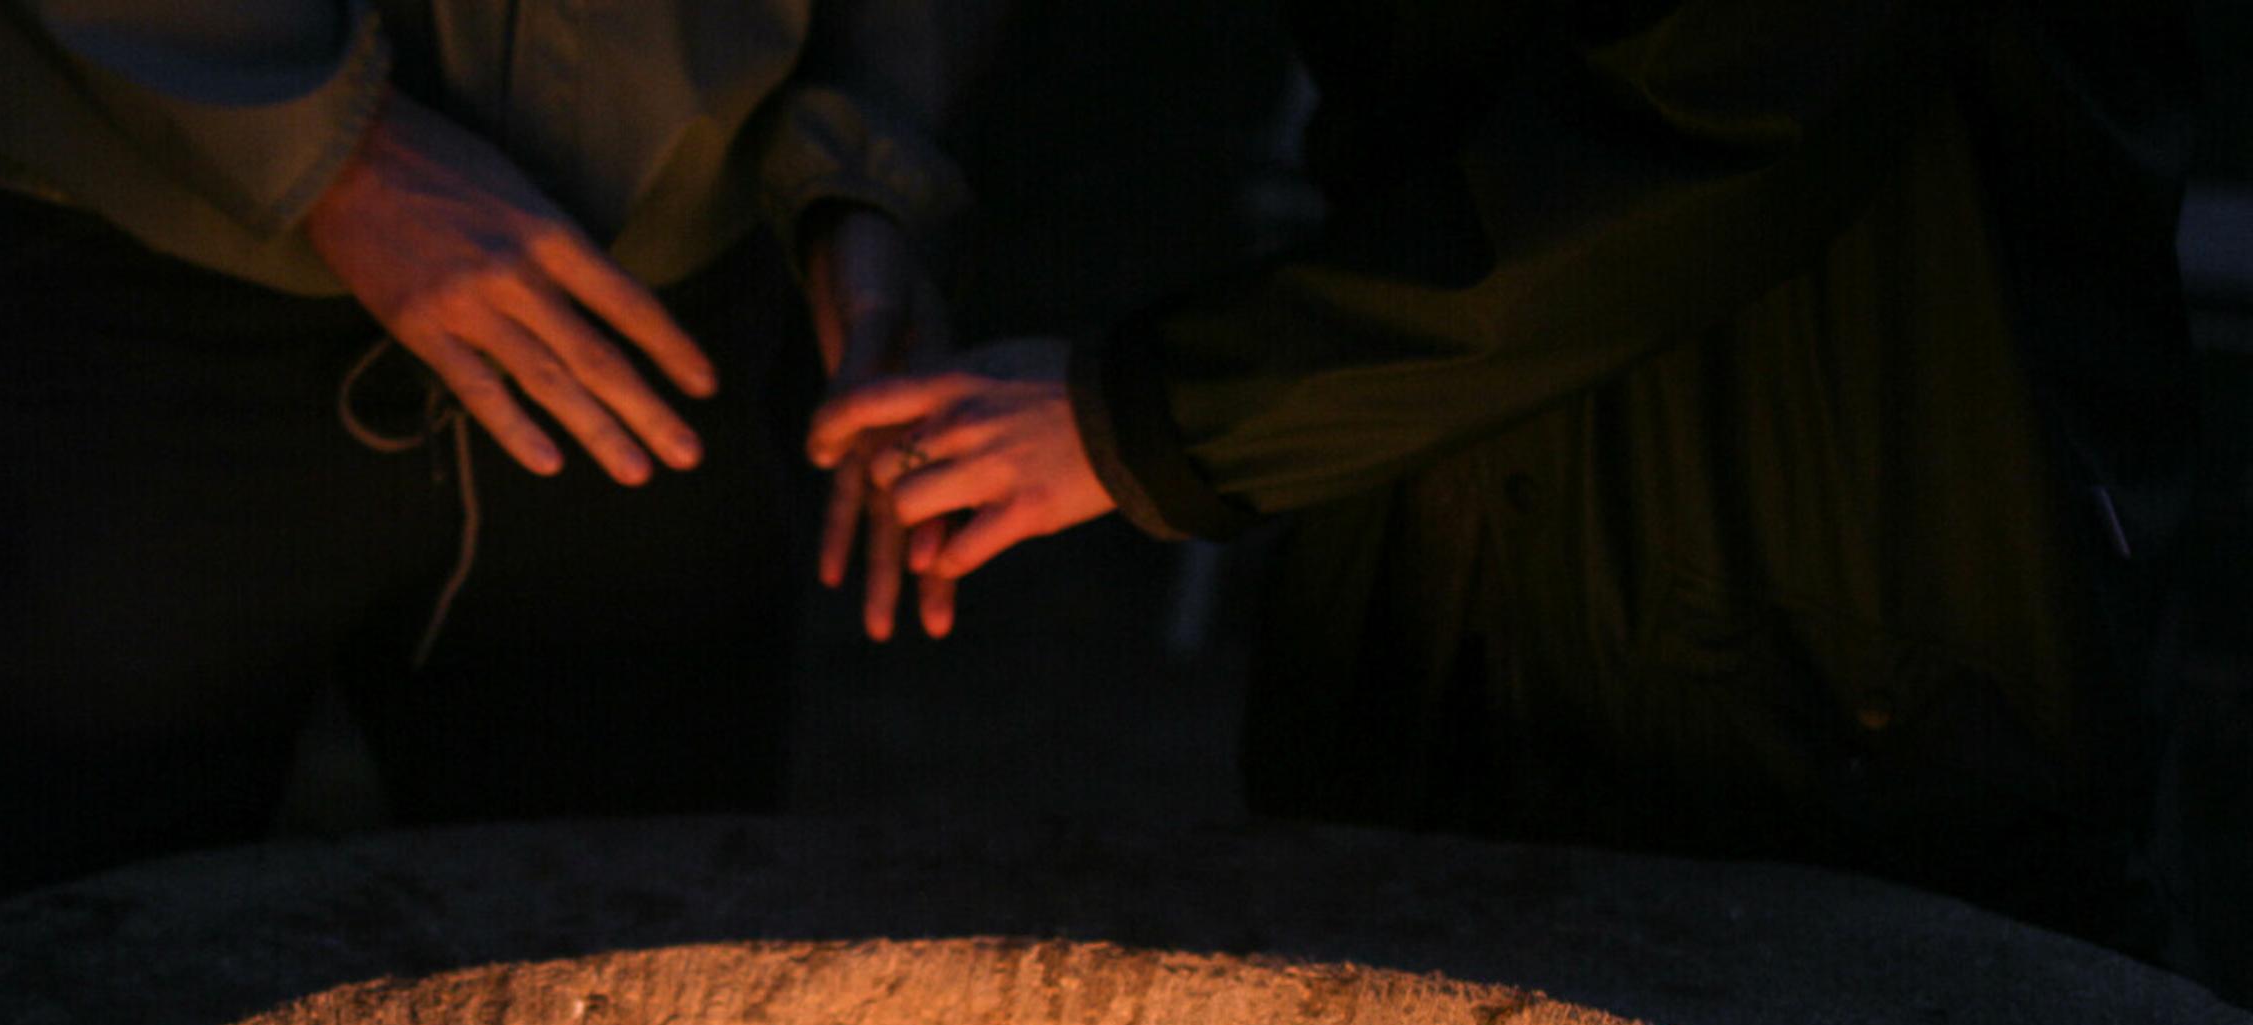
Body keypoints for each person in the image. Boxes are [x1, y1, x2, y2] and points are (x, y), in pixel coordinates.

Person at [813, 1, 2197, 947]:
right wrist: (861, 188)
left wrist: (1154, 417)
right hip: (1447, 541)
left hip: (1843, 578)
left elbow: (1731, 111)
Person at [0, 2, 991, 931]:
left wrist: (860, 168)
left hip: (647, 284)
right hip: (120, 221)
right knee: (42, 971)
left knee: (631, 976)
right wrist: (327, 144)